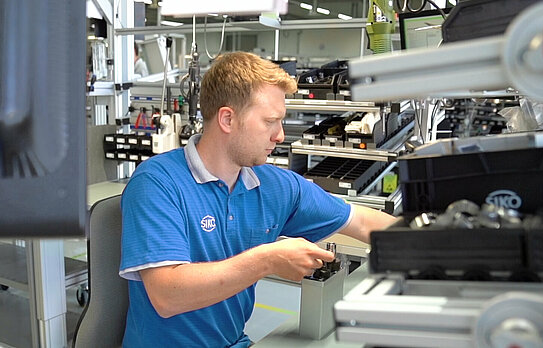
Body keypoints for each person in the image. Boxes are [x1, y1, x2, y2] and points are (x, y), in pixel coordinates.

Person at [119, 51, 397, 348]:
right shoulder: (157, 183)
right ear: (228, 118)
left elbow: (361, 219)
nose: (279, 135)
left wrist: (433, 245)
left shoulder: (274, 185)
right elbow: (167, 295)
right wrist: (269, 259)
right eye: (270, 121)